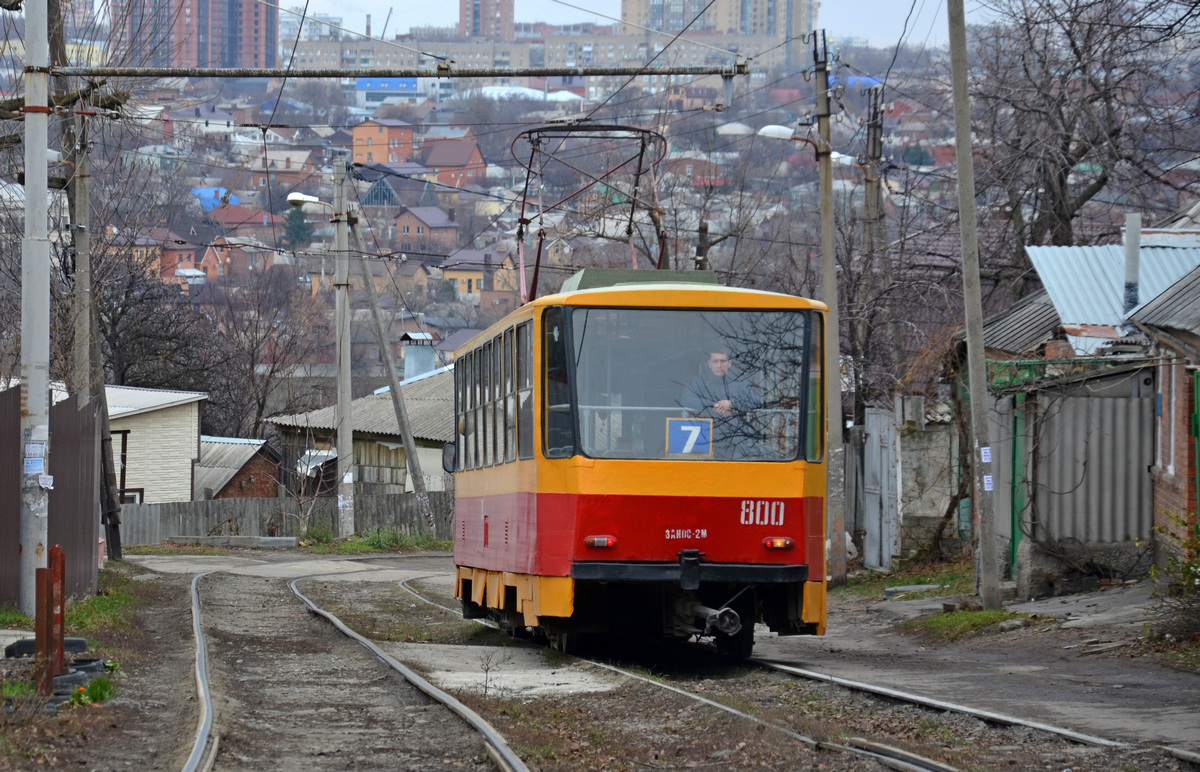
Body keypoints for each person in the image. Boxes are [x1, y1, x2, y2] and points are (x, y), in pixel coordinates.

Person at [681, 347, 763, 458]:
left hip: (736, 435)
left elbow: (756, 401)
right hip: (707, 434)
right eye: (715, 361)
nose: (719, 365)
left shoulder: (740, 380)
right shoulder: (702, 380)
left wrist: (732, 404)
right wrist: (713, 405)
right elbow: (686, 399)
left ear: (729, 363)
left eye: (723, 361)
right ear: (709, 364)